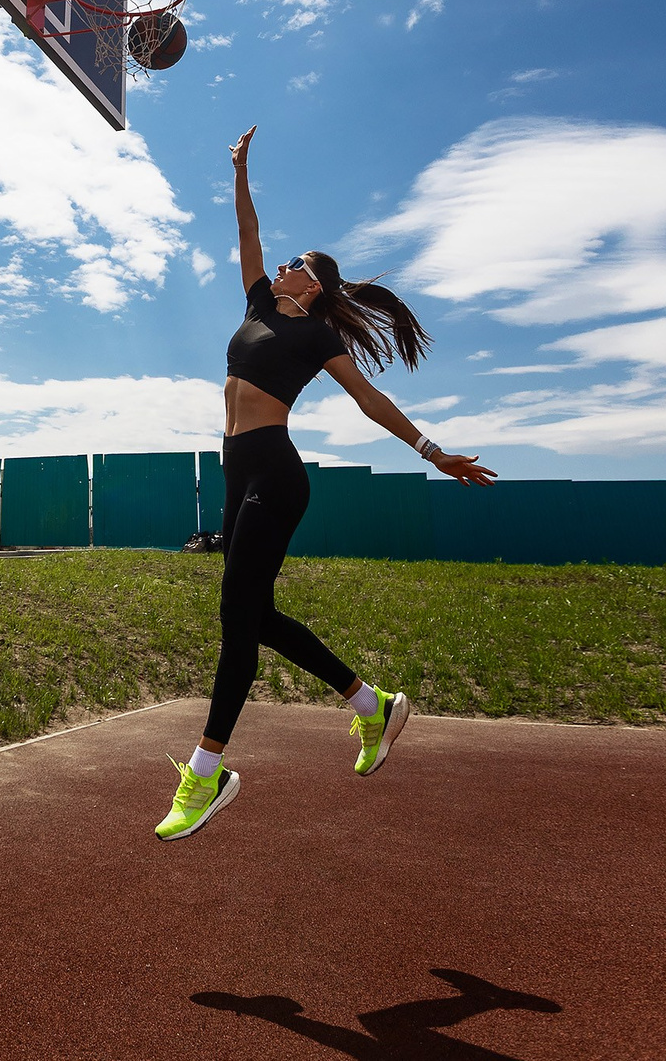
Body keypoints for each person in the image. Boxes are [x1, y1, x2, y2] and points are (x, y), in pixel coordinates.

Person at [157, 125, 499, 842]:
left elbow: (368, 400)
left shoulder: (317, 336)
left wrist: (431, 449)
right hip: (236, 469)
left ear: (309, 285)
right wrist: (240, 169)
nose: (279, 264)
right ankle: (371, 704)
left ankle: (205, 770)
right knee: (258, 618)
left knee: (234, 621)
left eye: (293, 263)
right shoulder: (255, 302)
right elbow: (245, 228)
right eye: (282, 261)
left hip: (275, 474)